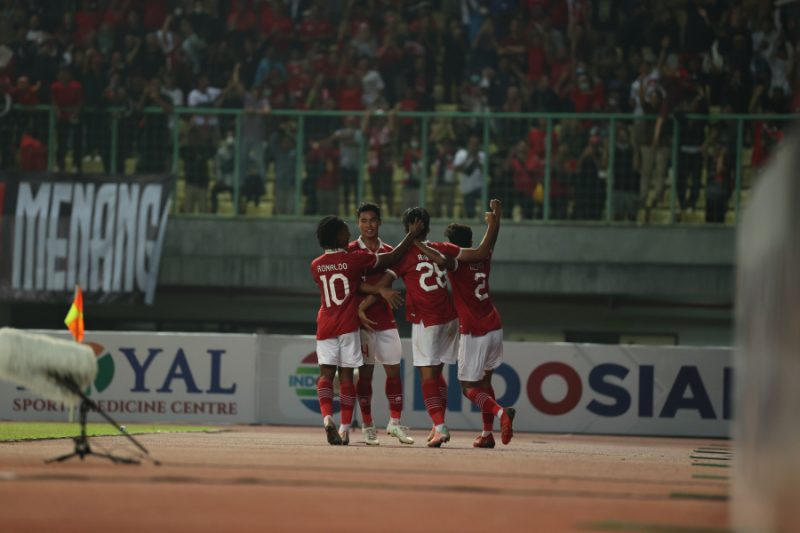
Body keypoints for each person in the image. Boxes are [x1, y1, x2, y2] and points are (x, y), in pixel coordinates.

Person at [311, 215, 423, 445]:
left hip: (325, 325)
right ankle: (344, 429)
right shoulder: (355, 258)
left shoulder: (316, 265)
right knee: (346, 378)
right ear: (337, 236)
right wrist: (411, 235)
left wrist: (376, 290)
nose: (349, 234)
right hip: (348, 325)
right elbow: (390, 258)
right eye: (345, 231)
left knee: (325, 375)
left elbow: (347, 283)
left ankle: (326, 419)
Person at [414, 200, 516, 447]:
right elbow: (490, 241)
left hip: (474, 330)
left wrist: (415, 242)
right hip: (494, 325)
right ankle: (486, 434)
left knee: (468, 387)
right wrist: (496, 218)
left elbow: (441, 260)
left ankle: (502, 413)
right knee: (485, 384)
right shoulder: (484, 256)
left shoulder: (457, 263)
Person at [384, 207, 459, 447]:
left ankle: (440, 426)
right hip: (450, 318)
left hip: (427, 320)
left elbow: (386, 279)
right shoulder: (440, 247)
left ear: (407, 228)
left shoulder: (404, 255)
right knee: (438, 374)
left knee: (426, 377)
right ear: (428, 227)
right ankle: (438, 424)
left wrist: (381, 291)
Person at [348, 202, 414, 446]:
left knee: (394, 371)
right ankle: (367, 426)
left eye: (373, 220)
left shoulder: (389, 251)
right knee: (365, 377)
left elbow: (386, 286)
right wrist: (377, 294)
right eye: (364, 221)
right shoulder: (350, 250)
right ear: (358, 223)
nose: (368, 225)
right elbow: (352, 286)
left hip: (385, 320)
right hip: (361, 322)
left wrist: (380, 292)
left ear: (380, 222)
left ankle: (395, 423)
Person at [453, 136, 486, 219]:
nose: (474, 146)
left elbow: (485, 171)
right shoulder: (461, 154)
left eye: (476, 144)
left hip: (480, 187)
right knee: (470, 214)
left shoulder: (482, 155)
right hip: (467, 189)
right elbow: (456, 169)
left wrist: (478, 161)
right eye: (472, 144)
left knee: (489, 199)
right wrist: (467, 158)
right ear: (468, 144)